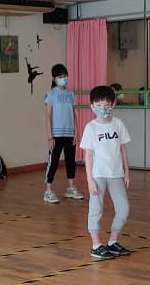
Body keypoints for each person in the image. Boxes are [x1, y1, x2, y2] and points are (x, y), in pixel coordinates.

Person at [81, 86, 131, 259]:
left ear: (113, 104)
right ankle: (96, 245)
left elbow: (123, 148)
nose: (103, 108)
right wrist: (89, 180)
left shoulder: (118, 124)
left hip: (116, 174)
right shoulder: (91, 128)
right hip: (98, 174)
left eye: (106, 104)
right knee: (96, 209)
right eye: (99, 105)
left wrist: (126, 171)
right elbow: (88, 155)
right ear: (92, 106)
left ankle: (113, 242)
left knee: (123, 208)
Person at [44, 63, 83, 203]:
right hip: (56, 135)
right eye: (60, 77)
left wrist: (76, 133)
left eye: (65, 76)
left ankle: (71, 188)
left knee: (71, 161)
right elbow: (48, 117)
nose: (63, 79)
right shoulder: (51, 94)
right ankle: (48, 191)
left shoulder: (71, 94)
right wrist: (50, 137)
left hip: (69, 134)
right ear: (54, 79)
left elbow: (74, 114)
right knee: (53, 162)